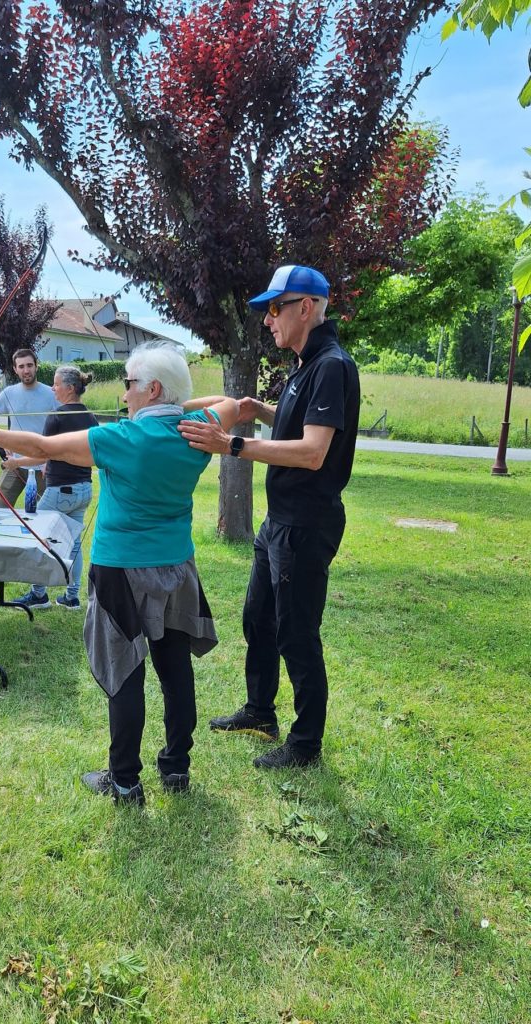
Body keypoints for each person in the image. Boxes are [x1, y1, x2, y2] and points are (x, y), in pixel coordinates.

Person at [0, 342, 238, 805]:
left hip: (121, 570)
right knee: (174, 668)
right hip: (176, 566)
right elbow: (232, 404)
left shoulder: (120, 440)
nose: (123, 395)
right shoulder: (200, 430)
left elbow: (44, 447)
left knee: (125, 672)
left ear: (150, 389)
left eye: (130, 385)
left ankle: (125, 780)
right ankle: (176, 768)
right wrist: (172, 406)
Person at [179, 265, 360, 769]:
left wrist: (231, 444)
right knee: (258, 619)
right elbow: (298, 421)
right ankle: (260, 710)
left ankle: (305, 745)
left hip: (305, 523)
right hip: (279, 520)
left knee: (296, 633)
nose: (268, 320)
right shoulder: (306, 363)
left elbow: (312, 452)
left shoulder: (330, 365)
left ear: (307, 307)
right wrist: (259, 411)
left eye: (276, 308)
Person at [9, 365, 99, 611]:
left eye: (57, 384)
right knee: (75, 543)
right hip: (84, 490)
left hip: (61, 492)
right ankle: (71, 596)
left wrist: (15, 462)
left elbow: (41, 453)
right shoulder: (91, 417)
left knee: (37, 535)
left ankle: (39, 594)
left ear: (70, 388)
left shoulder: (57, 415)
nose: (53, 388)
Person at [0, 347, 58, 508]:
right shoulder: (9, 393)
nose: (26, 370)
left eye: (29, 365)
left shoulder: (51, 394)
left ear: (36, 366)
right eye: (21, 366)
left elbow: (64, 428)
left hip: (43, 467)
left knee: (46, 515)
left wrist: (51, 458)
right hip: (14, 465)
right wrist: (1, 445)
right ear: (15, 369)